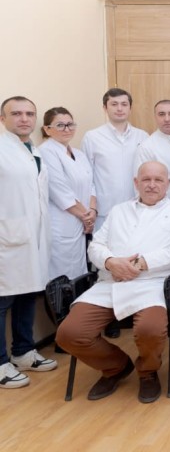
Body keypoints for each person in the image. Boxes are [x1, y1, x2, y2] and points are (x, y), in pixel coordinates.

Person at [55, 161, 170, 403]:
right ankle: (116, 366)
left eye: (158, 180)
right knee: (69, 334)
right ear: (136, 182)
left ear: (168, 184)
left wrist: (141, 264)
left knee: (150, 330)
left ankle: (148, 372)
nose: (152, 185)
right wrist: (110, 262)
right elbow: (96, 246)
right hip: (111, 281)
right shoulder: (118, 211)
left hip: (153, 284)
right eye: (146, 179)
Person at [0, 96, 56, 389]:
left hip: (31, 236)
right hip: (7, 236)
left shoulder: (32, 149)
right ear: (3, 119)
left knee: (28, 292)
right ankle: (0, 363)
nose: (24, 119)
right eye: (16, 113)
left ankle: (23, 351)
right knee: (3, 299)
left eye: (29, 114)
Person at [38, 107, 96, 279]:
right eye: (60, 125)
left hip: (81, 220)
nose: (67, 129)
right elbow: (59, 190)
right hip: (61, 221)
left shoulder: (79, 154)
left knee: (79, 270)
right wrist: (86, 217)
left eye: (70, 124)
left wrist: (92, 212)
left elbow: (91, 184)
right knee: (61, 274)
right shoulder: (45, 151)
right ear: (47, 129)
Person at [82, 88, 149, 230]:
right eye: (114, 104)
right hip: (104, 211)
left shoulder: (142, 136)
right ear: (105, 108)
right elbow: (87, 177)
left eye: (124, 104)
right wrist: (92, 207)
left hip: (138, 208)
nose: (119, 108)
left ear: (130, 108)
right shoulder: (92, 137)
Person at [133, 100, 170, 174]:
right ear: (155, 117)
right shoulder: (145, 148)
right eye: (161, 114)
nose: (167, 119)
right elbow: (141, 178)